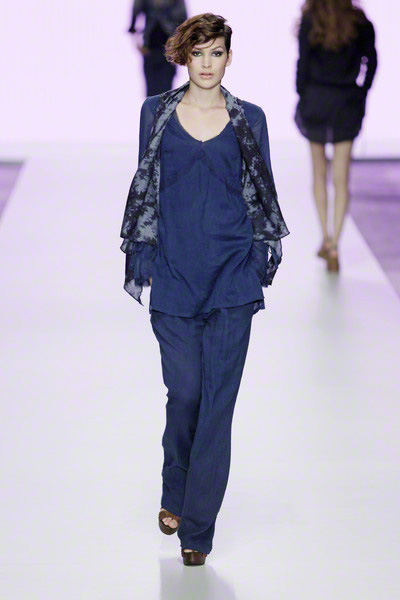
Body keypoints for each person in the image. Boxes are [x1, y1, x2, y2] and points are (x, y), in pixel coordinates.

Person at [120, 13, 289, 566]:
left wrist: (259, 254)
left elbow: (261, 190)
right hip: (174, 272)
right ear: (183, 56)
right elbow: (146, 186)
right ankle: (175, 485)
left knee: (218, 403)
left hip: (232, 274)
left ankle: (197, 528)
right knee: (187, 393)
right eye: (198, 53)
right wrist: (144, 252)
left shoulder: (249, 119)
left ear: (229, 57)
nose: (208, 64)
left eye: (217, 53)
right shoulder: (156, 113)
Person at [294, 0, 377, 271]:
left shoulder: (311, 19)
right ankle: (334, 245)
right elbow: (372, 62)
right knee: (342, 178)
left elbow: (303, 62)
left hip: (316, 99)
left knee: (319, 172)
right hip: (346, 102)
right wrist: (361, 92)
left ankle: (325, 236)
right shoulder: (359, 22)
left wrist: (302, 94)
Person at [128, 0, 187, 96]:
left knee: (165, 88)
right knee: (153, 89)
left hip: (168, 47)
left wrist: (179, 46)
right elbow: (134, 17)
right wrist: (137, 41)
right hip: (151, 46)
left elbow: (183, 22)